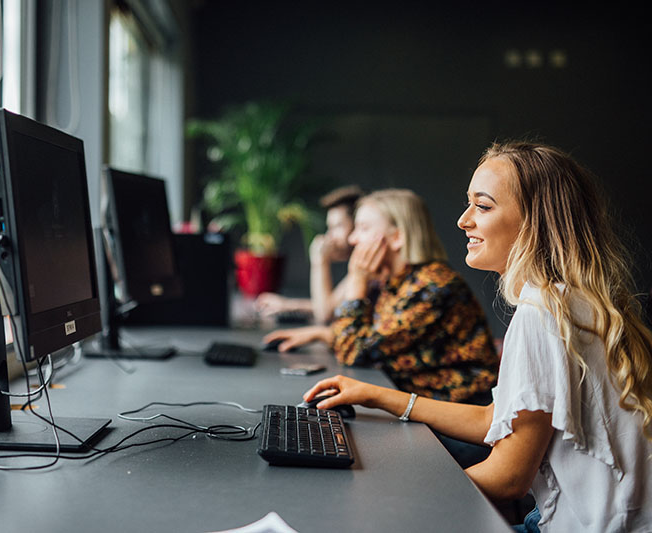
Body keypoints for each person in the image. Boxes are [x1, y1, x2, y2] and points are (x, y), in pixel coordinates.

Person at [303, 142, 652, 532]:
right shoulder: (574, 300)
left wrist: (393, 496)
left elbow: (509, 477)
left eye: (482, 206)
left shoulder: (543, 311)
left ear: (533, 222)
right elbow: (494, 419)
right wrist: (376, 395)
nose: (463, 220)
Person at [265, 188, 499, 404]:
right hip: (425, 406)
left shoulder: (432, 286)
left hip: (461, 419)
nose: (352, 239)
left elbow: (353, 352)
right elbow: (373, 340)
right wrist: (321, 333)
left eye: (363, 229)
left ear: (397, 237)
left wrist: (357, 279)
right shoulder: (399, 281)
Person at [255, 185, 363, 324]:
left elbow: (325, 314)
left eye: (338, 226)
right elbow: (336, 305)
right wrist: (288, 305)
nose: (330, 236)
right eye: (329, 228)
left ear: (357, 225)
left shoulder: (370, 263)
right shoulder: (359, 263)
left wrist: (320, 261)